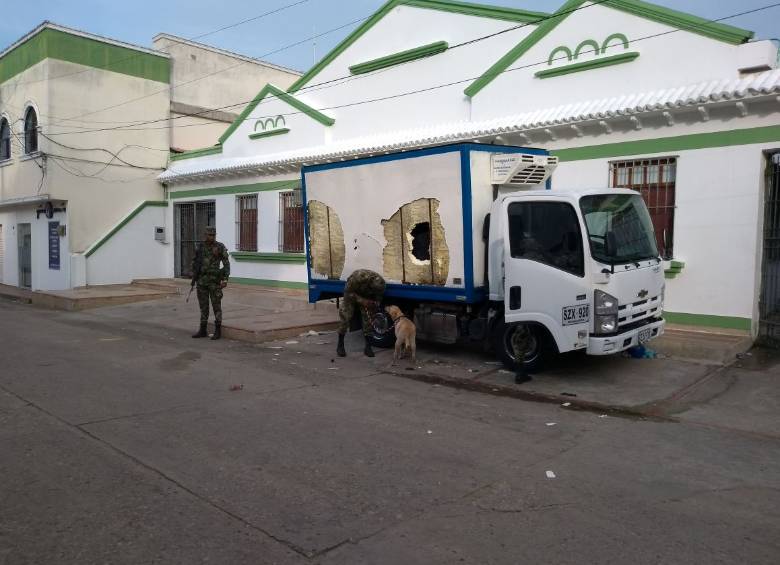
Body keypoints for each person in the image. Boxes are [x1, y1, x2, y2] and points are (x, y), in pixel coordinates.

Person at [191, 226, 230, 340]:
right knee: (203, 306)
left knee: (216, 306)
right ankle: (203, 330)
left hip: (214, 281)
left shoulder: (220, 246)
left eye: (213, 235)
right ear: (205, 235)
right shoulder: (200, 247)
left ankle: (218, 330)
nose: (212, 237)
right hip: (202, 281)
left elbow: (226, 264)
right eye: (210, 235)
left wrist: (225, 279)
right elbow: (195, 261)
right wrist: (194, 274)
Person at [336, 269, 386, 358]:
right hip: (352, 294)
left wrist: (374, 303)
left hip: (366, 296)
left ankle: (368, 347)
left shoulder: (381, 284)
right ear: (369, 283)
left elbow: (378, 297)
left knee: (368, 320)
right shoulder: (357, 278)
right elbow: (348, 292)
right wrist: (362, 301)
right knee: (346, 317)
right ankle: (340, 345)